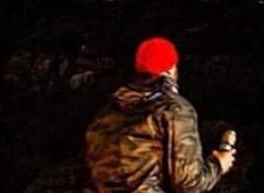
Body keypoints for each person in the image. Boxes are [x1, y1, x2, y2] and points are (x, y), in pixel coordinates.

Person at [85, 37, 235, 193]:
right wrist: (218, 164)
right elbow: (188, 183)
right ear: (171, 69)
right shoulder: (174, 109)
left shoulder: (107, 112)